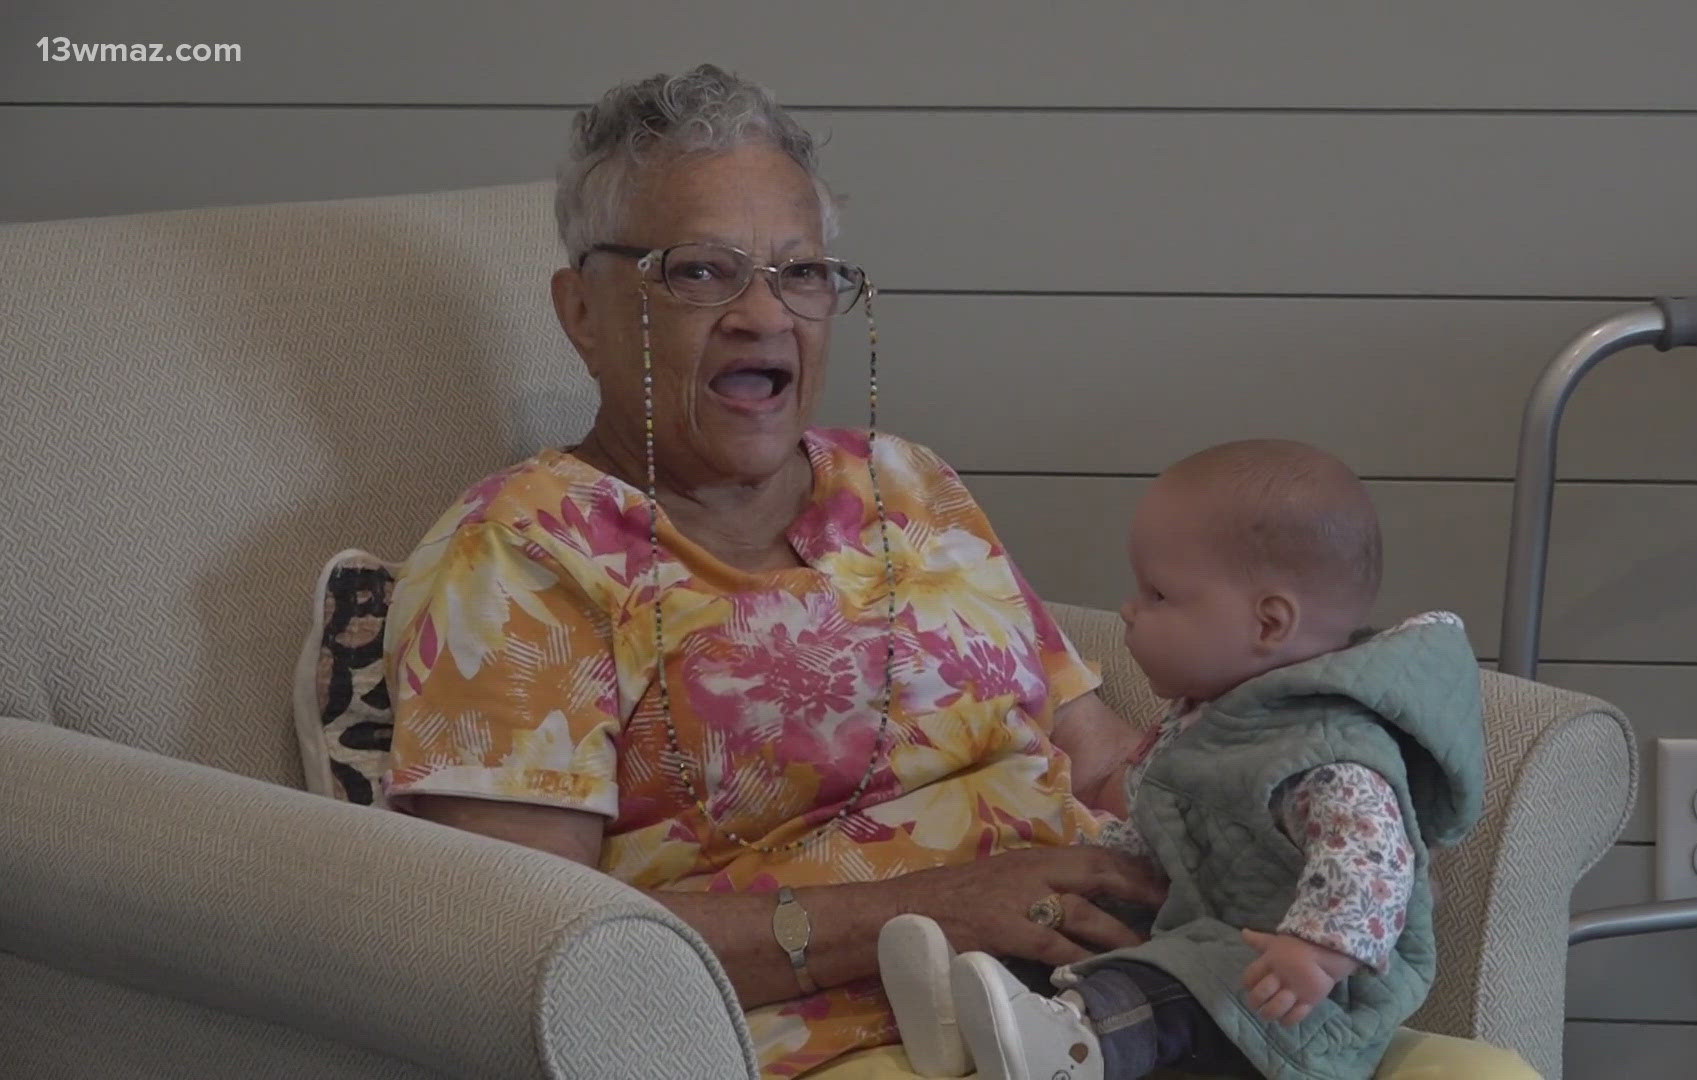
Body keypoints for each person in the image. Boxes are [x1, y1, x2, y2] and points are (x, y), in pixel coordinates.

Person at [379, 65, 1164, 1078]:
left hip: (1117, 1001)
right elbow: (530, 940)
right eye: (700, 271)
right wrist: (928, 914)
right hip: (838, 1044)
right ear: (581, 311)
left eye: (800, 273)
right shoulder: (526, 553)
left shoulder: (909, 484)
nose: (764, 314)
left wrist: (1287, 792)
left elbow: (1097, 758)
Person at [879, 440, 1487, 1080]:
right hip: (1201, 932)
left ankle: (1075, 1050)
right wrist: (1108, 861)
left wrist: (1318, 952)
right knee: (1095, 939)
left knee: (1175, 983)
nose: (1128, 610)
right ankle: (972, 1011)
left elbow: (1373, 858)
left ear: (1270, 624)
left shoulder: (1328, 749)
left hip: (1290, 1001)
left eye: (1159, 595)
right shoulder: (1212, 719)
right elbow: (1169, 822)